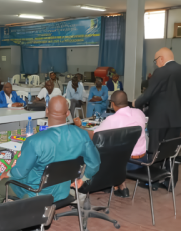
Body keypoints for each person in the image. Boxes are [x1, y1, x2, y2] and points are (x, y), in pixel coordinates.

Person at [0, 96, 101, 206]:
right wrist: (83, 178)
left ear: (47, 111)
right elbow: (95, 163)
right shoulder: (82, 135)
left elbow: (20, 173)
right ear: (68, 113)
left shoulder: (34, 141)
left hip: (35, 192)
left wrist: (7, 173)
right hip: (63, 191)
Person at [74, 91, 146, 198]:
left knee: (99, 150)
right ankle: (120, 186)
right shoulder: (139, 113)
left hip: (127, 164)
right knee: (117, 146)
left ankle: (109, 184)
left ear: (112, 104)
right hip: (142, 160)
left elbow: (94, 135)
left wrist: (79, 126)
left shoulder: (112, 119)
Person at [133, 47, 181, 190]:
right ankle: (170, 182)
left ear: (161, 58)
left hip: (160, 119)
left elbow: (149, 93)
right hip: (176, 120)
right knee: (171, 151)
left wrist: (136, 103)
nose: (156, 64)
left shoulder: (161, 71)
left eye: (155, 61)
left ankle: (152, 182)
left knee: (155, 150)